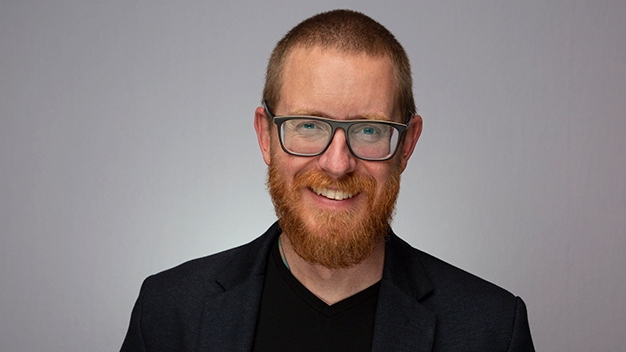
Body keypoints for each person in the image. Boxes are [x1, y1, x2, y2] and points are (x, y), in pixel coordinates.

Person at [121, 9, 534, 352]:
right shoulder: (167, 313)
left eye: (370, 130)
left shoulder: (493, 332)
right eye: (308, 125)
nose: (337, 164)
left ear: (406, 146)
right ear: (266, 136)